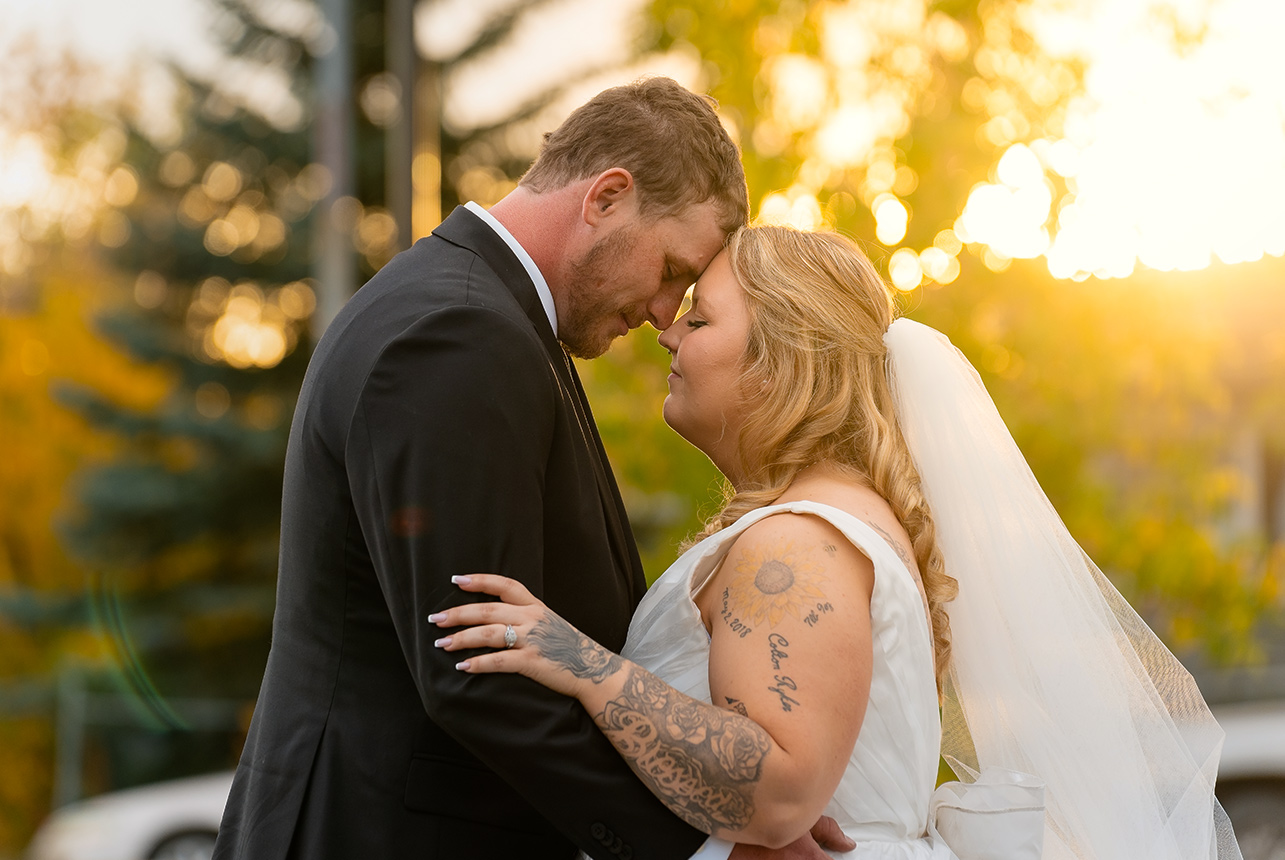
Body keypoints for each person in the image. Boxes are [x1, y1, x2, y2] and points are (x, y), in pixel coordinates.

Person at [434, 225, 1244, 859]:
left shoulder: (797, 545)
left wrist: (581, 663)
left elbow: (779, 792)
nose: (668, 335)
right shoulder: (827, 522)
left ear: (781, 359)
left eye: (701, 319)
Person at [214, 79, 850, 860]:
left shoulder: (486, 317)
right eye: (669, 269)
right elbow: (477, 666)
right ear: (607, 197)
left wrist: (730, 798)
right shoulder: (460, 334)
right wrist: (706, 843)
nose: (664, 313)